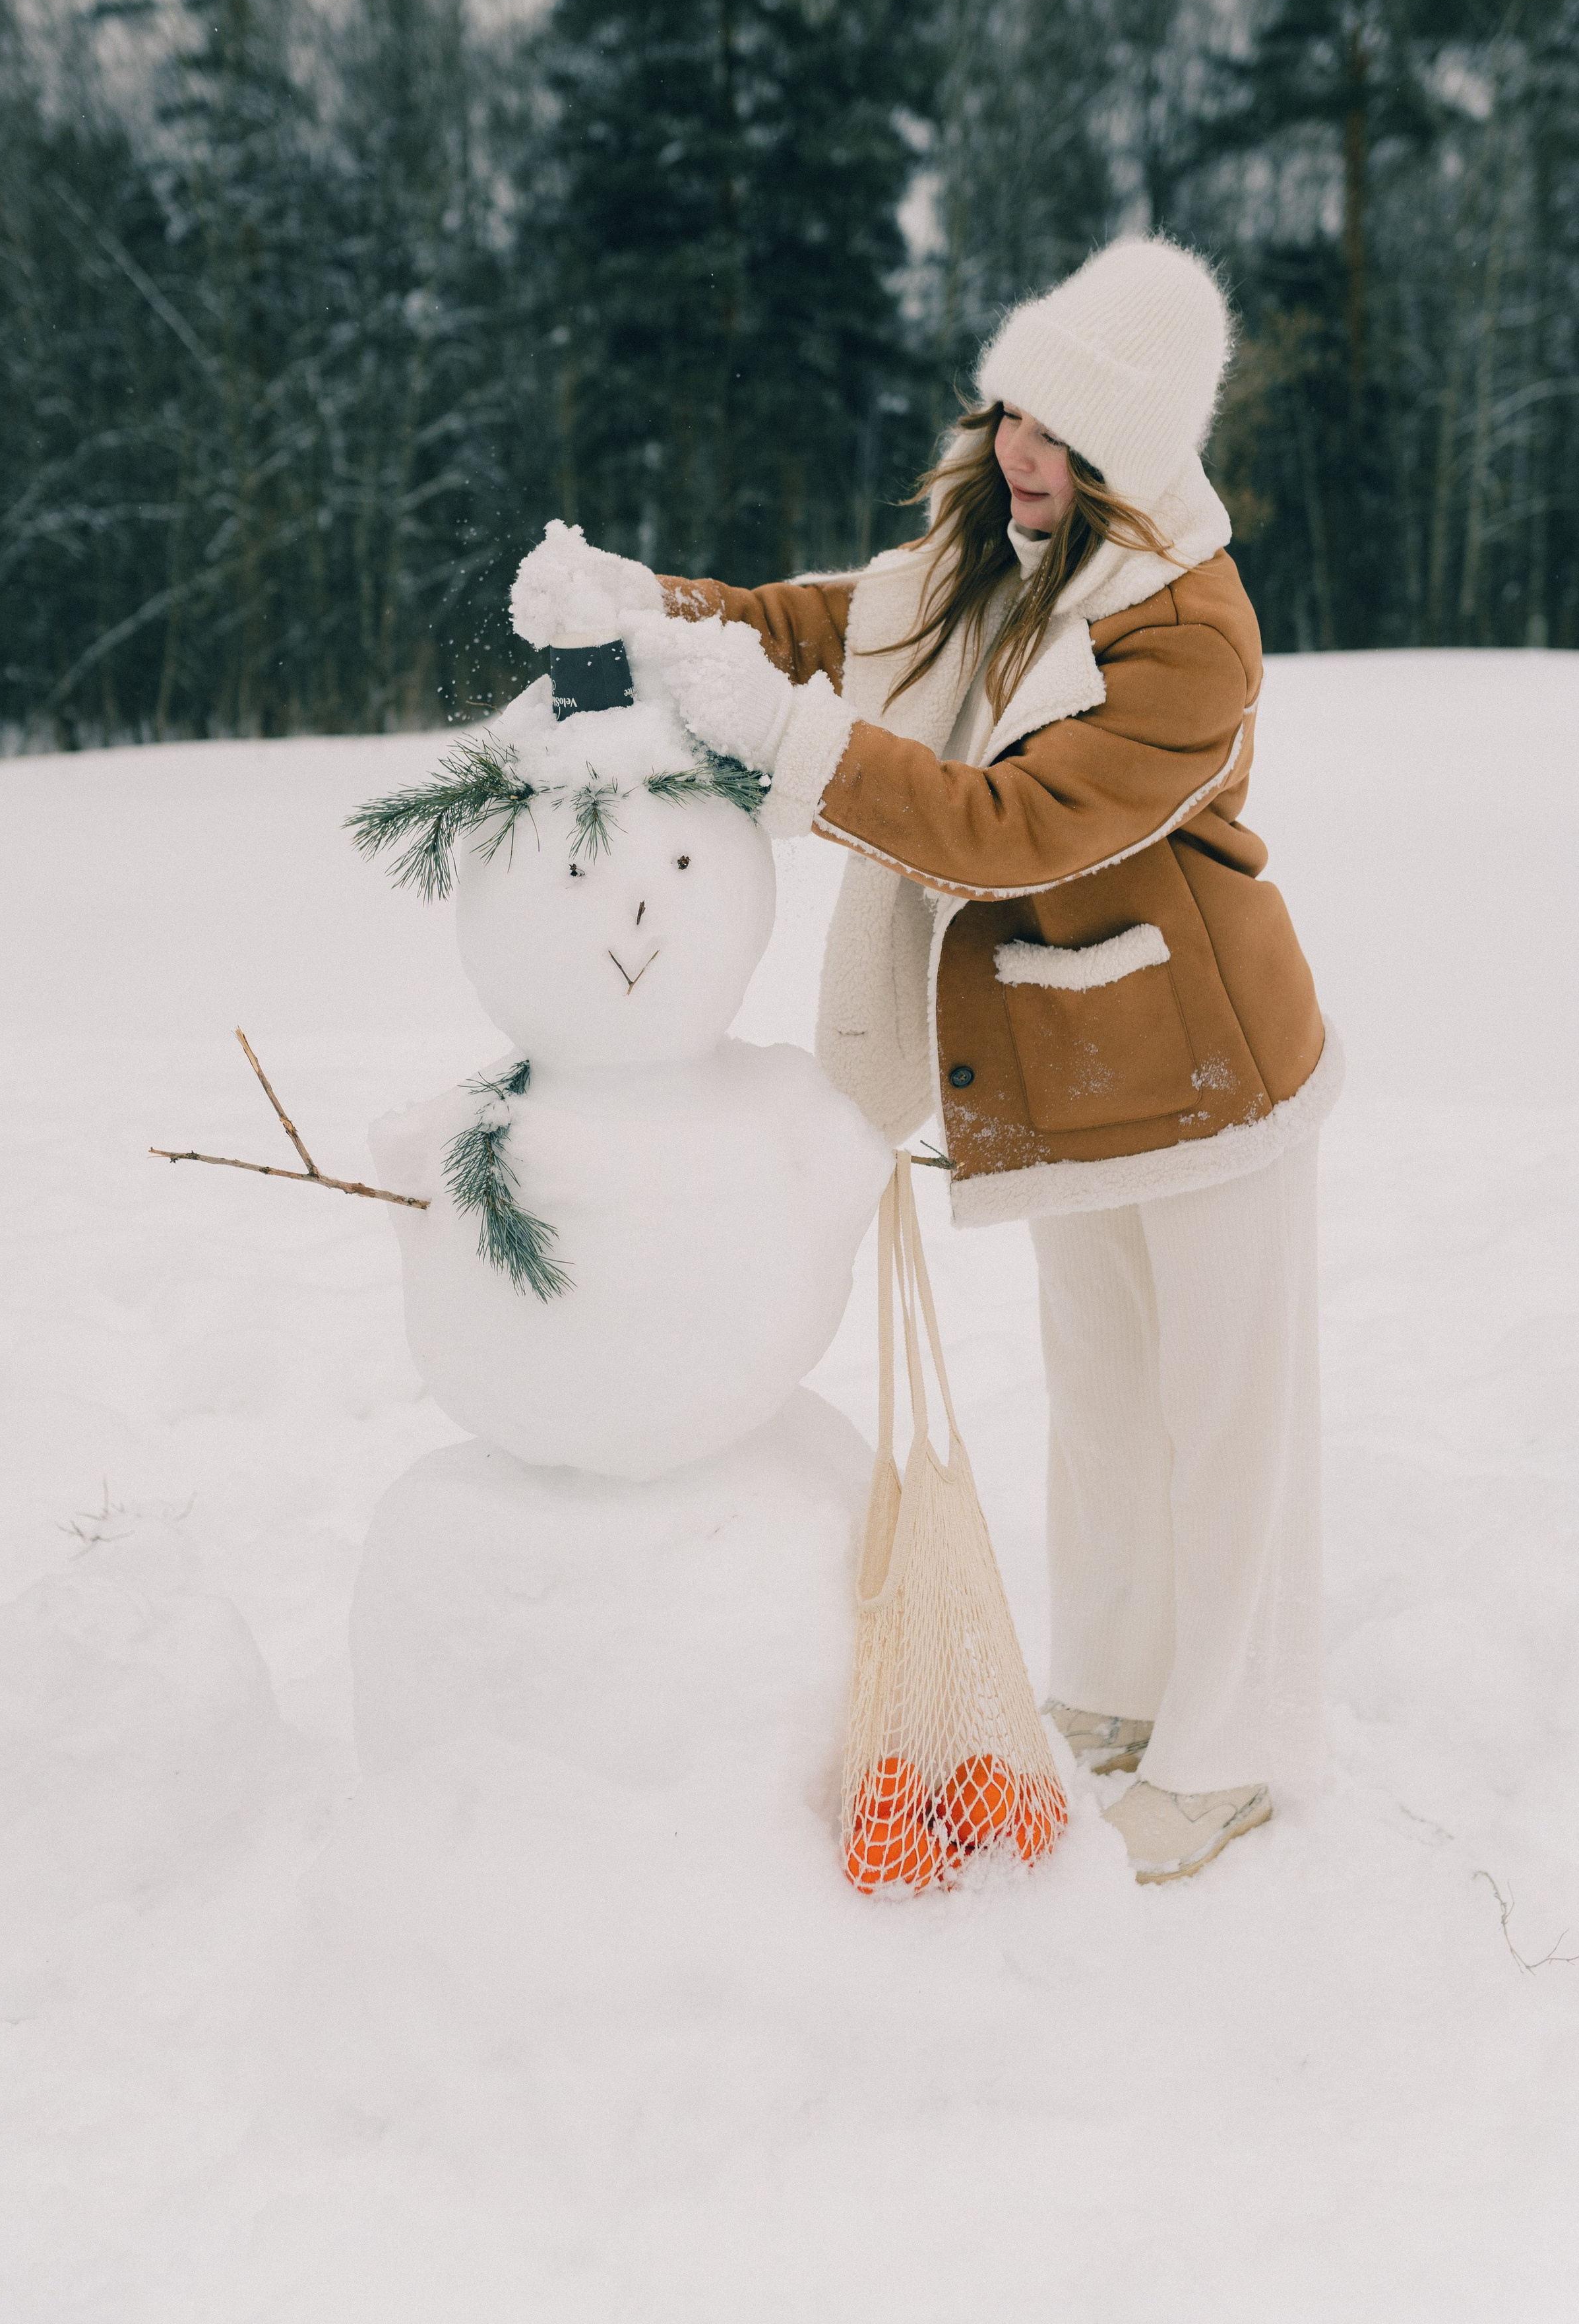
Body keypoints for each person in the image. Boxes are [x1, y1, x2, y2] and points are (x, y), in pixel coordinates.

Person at [541, 237, 1341, 1883]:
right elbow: (821, 630)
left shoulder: (1191, 636)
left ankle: (1233, 1747)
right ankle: (1119, 1694)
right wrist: (650, 606)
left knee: (1226, 1418)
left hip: (1205, 1072)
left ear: (1138, 460)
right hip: (1067, 1063)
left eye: (1062, 434)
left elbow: (1013, 832)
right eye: (1008, 412)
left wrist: (793, 747)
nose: (1021, 453)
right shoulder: (986, 560)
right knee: (1106, 1409)